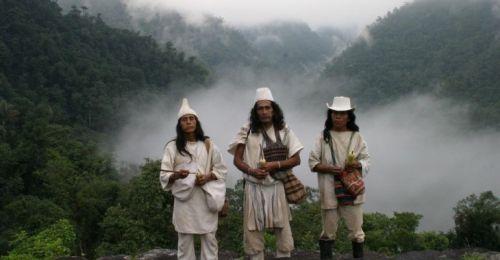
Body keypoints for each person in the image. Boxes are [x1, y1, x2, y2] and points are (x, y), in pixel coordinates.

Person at [228, 87, 304, 259]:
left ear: (274, 109)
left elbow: (296, 159)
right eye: (260, 108)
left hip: (277, 186)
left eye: (267, 108)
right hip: (254, 187)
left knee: (283, 230)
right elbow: (237, 160)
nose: (264, 112)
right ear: (255, 112)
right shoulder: (247, 130)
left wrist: (274, 165)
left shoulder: (284, 129)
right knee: (253, 232)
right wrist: (251, 170)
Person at [160, 98, 228, 260]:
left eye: (192, 119)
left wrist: (207, 177)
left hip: (205, 200)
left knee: (209, 239)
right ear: (180, 125)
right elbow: (164, 174)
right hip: (184, 203)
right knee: (184, 243)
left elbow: (221, 169)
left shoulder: (208, 145)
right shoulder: (172, 147)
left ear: (196, 122)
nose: (189, 122)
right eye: (185, 120)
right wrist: (177, 175)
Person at [308, 96, 370, 259]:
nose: (338, 116)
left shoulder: (357, 137)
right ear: (330, 115)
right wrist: (329, 168)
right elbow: (312, 162)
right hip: (329, 189)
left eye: (342, 114)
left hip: (352, 191)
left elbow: (366, 160)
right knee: (328, 232)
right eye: (335, 113)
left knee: (357, 232)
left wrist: (356, 164)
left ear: (349, 116)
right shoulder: (323, 136)